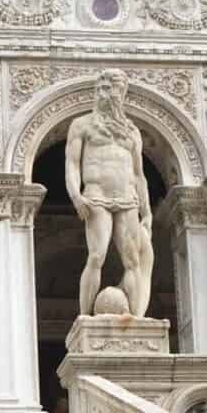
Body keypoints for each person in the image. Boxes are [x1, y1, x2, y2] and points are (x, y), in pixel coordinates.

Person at [65, 68, 154, 317]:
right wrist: (75, 195)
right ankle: (84, 317)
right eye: (100, 89)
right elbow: (72, 163)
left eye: (110, 89)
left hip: (128, 199)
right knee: (96, 256)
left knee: (133, 261)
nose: (104, 95)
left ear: (122, 93)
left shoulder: (132, 131)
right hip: (96, 197)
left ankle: (136, 320)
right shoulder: (82, 125)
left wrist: (146, 211)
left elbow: (138, 174)